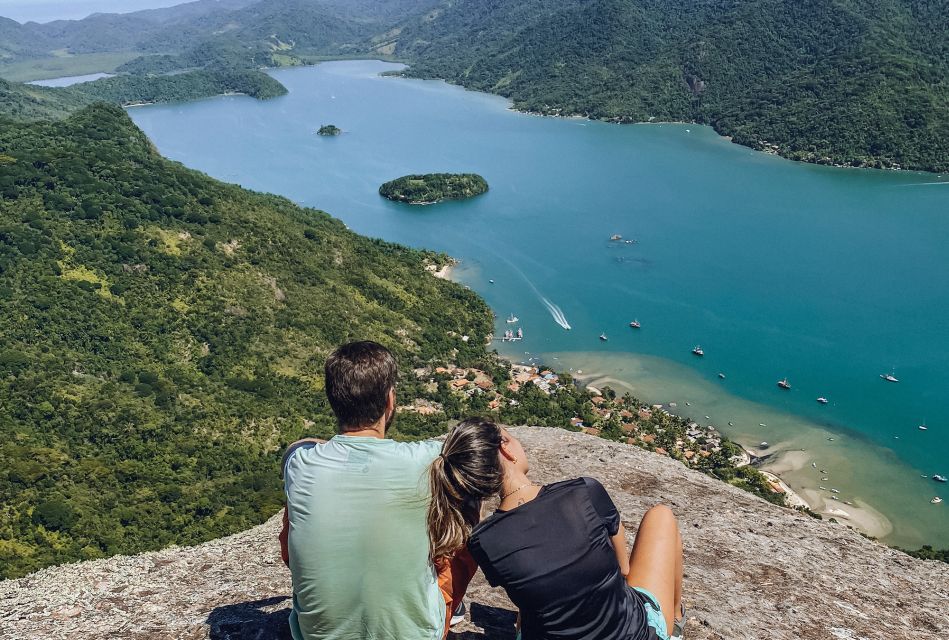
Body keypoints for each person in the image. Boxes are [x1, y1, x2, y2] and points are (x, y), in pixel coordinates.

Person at [281, 341, 475, 640]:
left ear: (333, 400)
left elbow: (298, 446)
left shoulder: (299, 465)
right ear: (390, 400)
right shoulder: (428, 460)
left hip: (315, 635)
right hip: (415, 634)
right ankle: (450, 604)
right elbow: (474, 454)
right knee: (463, 509)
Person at [428, 418, 685, 640]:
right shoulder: (583, 492)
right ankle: (675, 624)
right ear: (505, 448)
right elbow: (623, 572)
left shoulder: (483, 541)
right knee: (660, 515)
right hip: (632, 632)